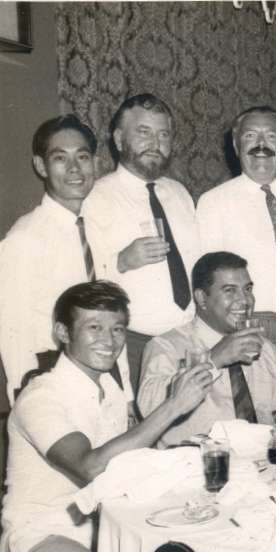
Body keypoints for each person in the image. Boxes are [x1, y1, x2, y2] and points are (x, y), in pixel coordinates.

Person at [1, 281, 210, 552]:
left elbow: (127, 459)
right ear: (63, 333)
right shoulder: (41, 396)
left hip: (103, 521)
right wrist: (172, 406)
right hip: (39, 530)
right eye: (94, 328)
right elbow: (90, 466)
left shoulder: (109, 386)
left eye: (117, 329)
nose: (109, 340)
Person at [0, 115, 134, 403]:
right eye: (61, 158)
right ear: (41, 166)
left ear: (95, 164)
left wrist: (127, 397)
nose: (75, 168)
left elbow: (110, 316)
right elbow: (13, 335)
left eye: (82, 157)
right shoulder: (23, 239)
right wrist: (27, 403)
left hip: (108, 381)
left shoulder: (97, 229)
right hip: (54, 380)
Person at [81, 94, 201, 392]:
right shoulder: (96, 198)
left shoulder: (180, 194)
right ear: (120, 139)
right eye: (144, 132)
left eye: (163, 134)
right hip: (135, 344)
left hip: (187, 340)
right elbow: (81, 281)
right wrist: (121, 260)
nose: (155, 142)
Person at [197, 105, 276, 376]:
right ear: (235, 145)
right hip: (248, 329)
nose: (261, 145)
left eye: (270, 137)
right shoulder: (214, 202)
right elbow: (208, 282)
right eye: (250, 136)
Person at [138, 252, 276, 448]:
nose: (245, 300)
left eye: (247, 289)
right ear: (201, 298)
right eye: (230, 290)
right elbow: (149, 411)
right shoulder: (166, 347)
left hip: (263, 463)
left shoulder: (265, 349)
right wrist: (213, 360)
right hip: (193, 468)